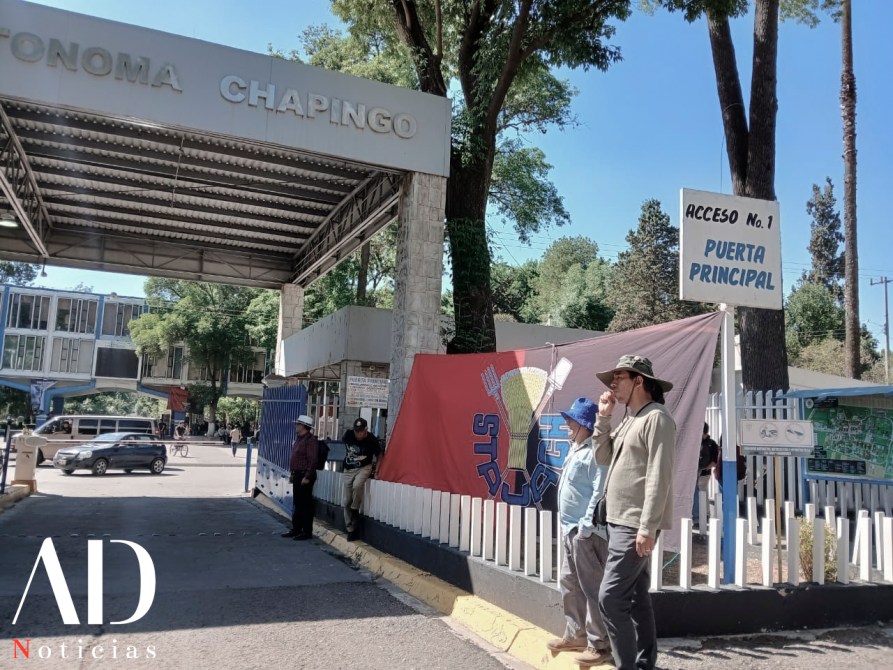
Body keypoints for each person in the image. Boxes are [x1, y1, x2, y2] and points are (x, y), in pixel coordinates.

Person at [593, 355, 676, 670]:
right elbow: (602, 457)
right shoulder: (630, 418)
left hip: (633, 525)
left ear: (639, 380)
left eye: (618, 377)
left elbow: (659, 475)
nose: (613, 384)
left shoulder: (658, 418)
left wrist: (647, 527)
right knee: (638, 599)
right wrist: (605, 418)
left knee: (610, 599)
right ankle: (644, 663)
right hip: (618, 522)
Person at [546, 397, 611, 667]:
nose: (567, 424)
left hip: (586, 532)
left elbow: (599, 489)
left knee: (592, 588)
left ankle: (600, 644)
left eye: (572, 420)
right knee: (569, 582)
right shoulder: (576, 448)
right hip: (570, 530)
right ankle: (576, 635)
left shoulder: (595, 451)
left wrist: (585, 527)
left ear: (585, 424)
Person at [341, 417, 381, 541]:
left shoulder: (371, 439)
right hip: (349, 469)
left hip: (364, 467)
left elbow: (379, 455)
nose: (358, 434)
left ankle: (355, 509)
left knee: (357, 485)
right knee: (346, 500)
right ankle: (350, 529)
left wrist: (377, 470)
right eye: (356, 431)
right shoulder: (348, 435)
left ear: (366, 430)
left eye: (360, 431)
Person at [282, 415, 319, 541]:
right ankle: (296, 529)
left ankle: (306, 531)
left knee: (305, 504)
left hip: (305, 475)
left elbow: (312, 460)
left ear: (303, 426)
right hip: (298, 474)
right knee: (298, 503)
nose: (296, 426)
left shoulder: (310, 440)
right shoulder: (299, 439)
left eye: (298, 424)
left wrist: (307, 476)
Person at [692, 423, 719, 525]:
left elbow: (714, 459)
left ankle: (702, 515)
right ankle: (704, 514)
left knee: (700, 493)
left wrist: (705, 468)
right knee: (701, 493)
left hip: (704, 473)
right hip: (700, 472)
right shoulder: (709, 443)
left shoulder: (710, 443)